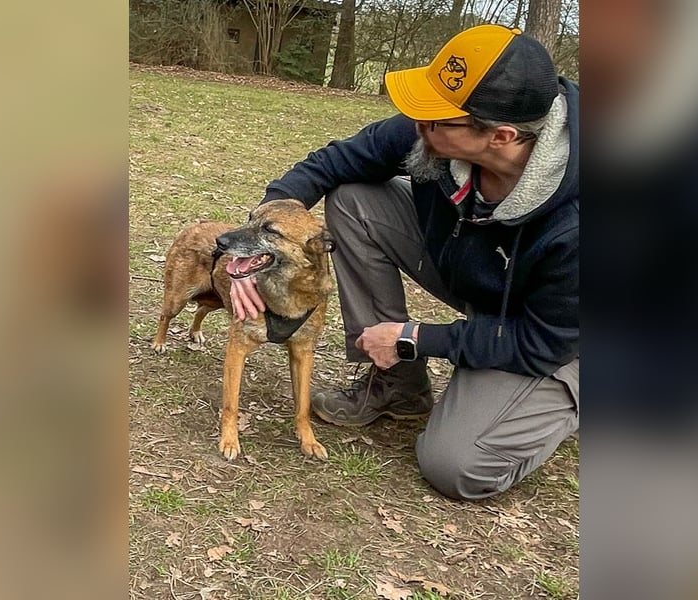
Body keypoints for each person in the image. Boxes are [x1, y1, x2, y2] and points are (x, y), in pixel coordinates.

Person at [229, 24, 579, 501]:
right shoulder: (436, 129)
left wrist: (418, 338)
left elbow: (541, 340)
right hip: (481, 273)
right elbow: (333, 164)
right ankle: (398, 388)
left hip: (561, 329)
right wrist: (260, 247)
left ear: (500, 136)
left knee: (457, 466)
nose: (416, 124)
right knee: (353, 198)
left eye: (435, 120)